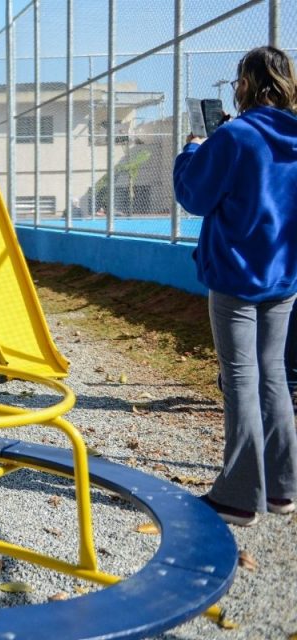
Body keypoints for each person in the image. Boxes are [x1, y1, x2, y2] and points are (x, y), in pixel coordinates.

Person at [173, 45, 297, 526]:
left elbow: (194, 195)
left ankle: (239, 496)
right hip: (284, 274)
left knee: (242, 378)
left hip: (236, 275)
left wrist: (191, 149)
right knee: (274, 376)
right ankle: (283, 488)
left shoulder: (235, 135)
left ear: (247, 83)